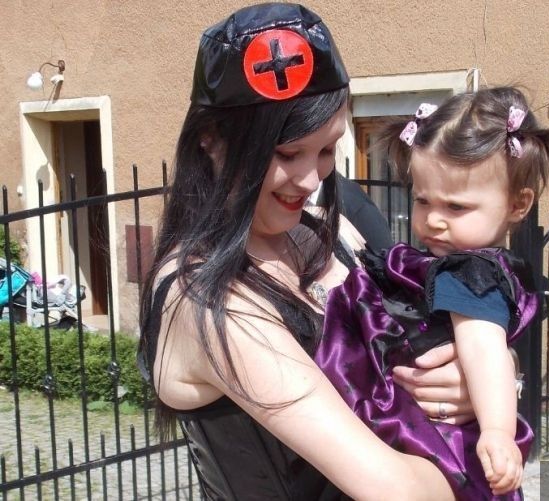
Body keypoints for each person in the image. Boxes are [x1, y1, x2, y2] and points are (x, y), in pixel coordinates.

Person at [138, 4, 472, 500]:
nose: (312, 178)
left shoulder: (329, 235)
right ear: (210, 140)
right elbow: (398, 491)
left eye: (327, 149)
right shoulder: (205, 299)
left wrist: (483, 374)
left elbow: (427, 337)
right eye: (287, 153)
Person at [315, 87, 549, 499]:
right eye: (423, 200)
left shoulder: (471, 272)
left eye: (456, 207)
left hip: (441, 440)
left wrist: (497, 431)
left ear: (518, 205)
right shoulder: (460, 263)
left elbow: (483, 348)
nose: (434, 220)